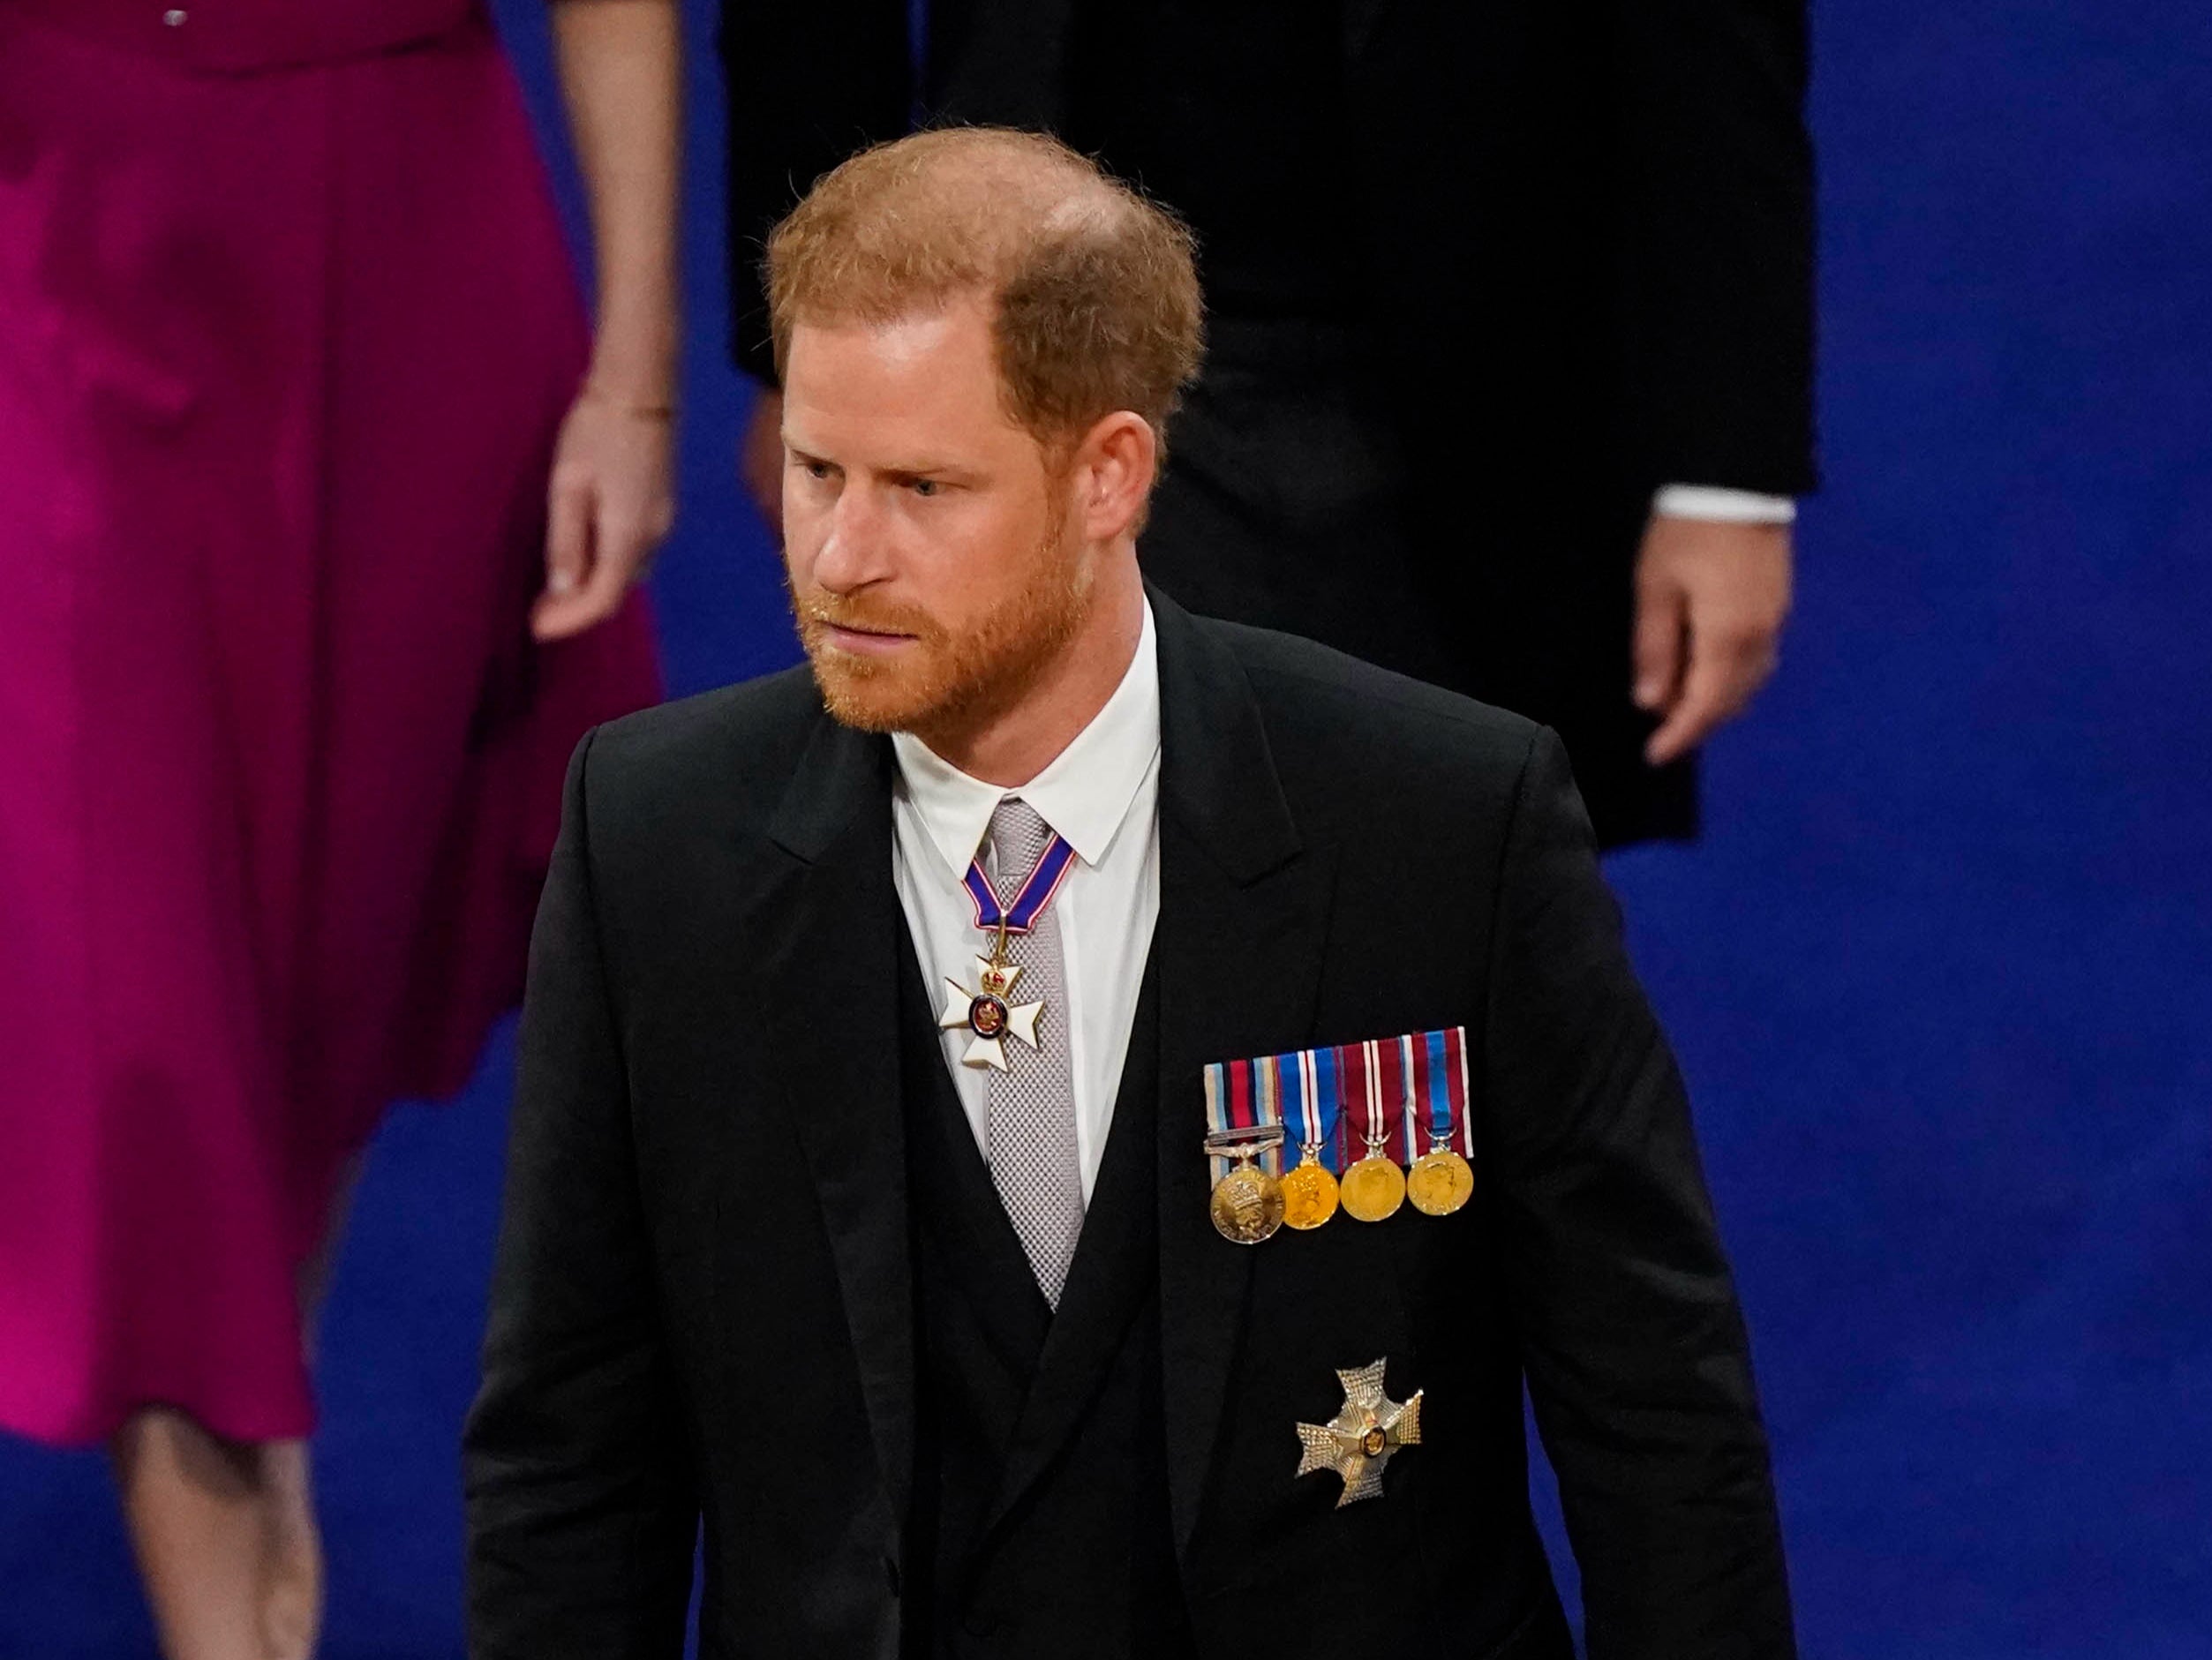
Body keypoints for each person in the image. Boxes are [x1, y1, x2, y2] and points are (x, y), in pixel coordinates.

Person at [465, 129, 1792, 1658]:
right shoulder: (655, 841)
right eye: (819, 471)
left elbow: (1655, 1408)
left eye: (924, 486)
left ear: (1108, 473)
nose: (841, 554)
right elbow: (569, 1461)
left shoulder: (1437, 822)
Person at [0, 1, 675, 1654]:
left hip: (408, 250)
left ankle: (250, 1403)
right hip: (59, 241)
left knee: (316, 971)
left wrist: (634, 377)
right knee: (135, 1002)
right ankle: (227, 1626)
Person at [720, 0, 1816, 848]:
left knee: (1439, 949)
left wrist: (1723, 477)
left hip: (1474, 392)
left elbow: (1709, 48)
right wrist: (817, 345)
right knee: (1025, 912)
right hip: (1037, 352)